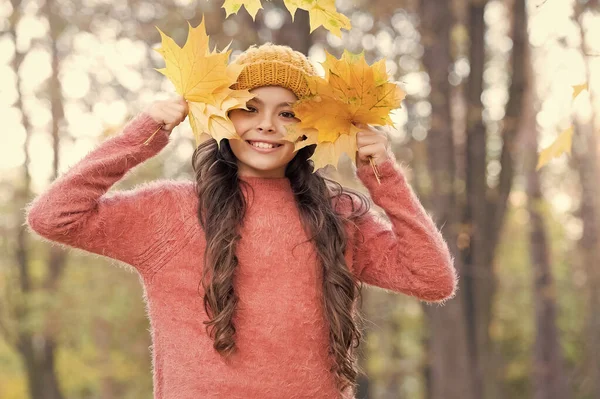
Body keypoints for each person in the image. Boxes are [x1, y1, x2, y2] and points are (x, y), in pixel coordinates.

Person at [26, 43, 457, 399]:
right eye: (249, 108)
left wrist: (383, 176)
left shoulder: (338, 218)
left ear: (311, 127)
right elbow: (54, 216)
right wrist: (146, 132)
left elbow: (432, 278)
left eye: (287, 113)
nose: (267, 125)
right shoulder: (170, 211)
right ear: (222, 115)